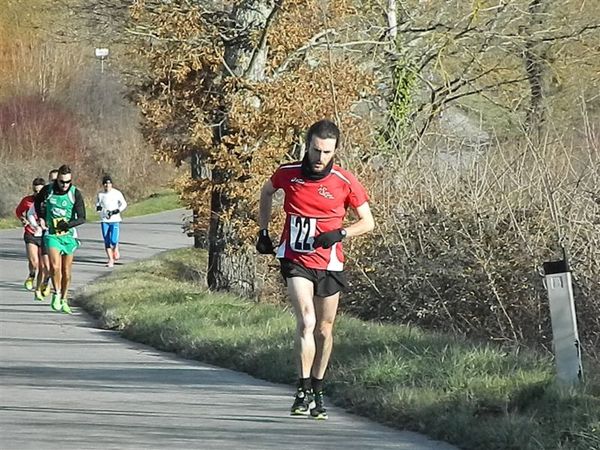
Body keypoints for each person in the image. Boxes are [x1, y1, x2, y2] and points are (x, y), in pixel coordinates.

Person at [257, 119, 375, 420]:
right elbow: (266, 191)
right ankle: (302, 388)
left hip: (330, 262)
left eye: (326, 152)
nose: (320, 157)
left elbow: (368, 222)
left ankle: (319, 389)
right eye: (316, 150)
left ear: (335, 151)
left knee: (324, 329)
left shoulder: (345, 180)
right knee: (306, 321)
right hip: (296, 260)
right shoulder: (288, 174)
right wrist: (264, 232)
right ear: (306, 146)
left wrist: (341, 233)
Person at [34, 165, 86, 314]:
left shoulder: (75, 193)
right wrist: (42, 218)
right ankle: (56, 294)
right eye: (62, 182)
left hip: (68, 236)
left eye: (68, 182)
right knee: (55, 267)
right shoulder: (48, 190)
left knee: (66, 272)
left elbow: (82, 217)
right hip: (52, 235)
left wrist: (68, 224)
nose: (64, 185)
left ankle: (64, 299)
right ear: (57, 180)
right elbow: (37, 202)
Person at [26, 169, 59, 299]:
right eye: (52, 179)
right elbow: (30, 212)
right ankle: (38, 289)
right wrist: (37, 224)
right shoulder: (45, 194)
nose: (54, 182)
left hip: (60, 235)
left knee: (51, 266)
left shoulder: (67, 194)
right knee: (42, 264)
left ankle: (47, 284)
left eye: (56, 180)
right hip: (44, 234)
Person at [15, 177, 47, 297]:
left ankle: (42, 285)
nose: (37, 194)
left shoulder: (48, 201)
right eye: (35, 191)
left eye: (39, 191)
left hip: (44, 234)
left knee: (43, 265)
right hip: (31, 233)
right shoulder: (27, 201)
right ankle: (31, 275)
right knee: (34, 262)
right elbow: (19, 211)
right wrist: (23, 219)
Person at [95, 175, 127, 267]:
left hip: (115, 219)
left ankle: (116, 247)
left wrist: (117, 210)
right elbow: (97, 206)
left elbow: (124, 204)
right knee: (107, 240)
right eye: (105, 184)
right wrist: (100, 209)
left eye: (108, 183)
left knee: (113, 239)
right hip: (104, 220)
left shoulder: (117, 193)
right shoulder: (100, 195)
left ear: (111, 184)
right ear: (103, 185)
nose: (107, 185)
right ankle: (110, 260)